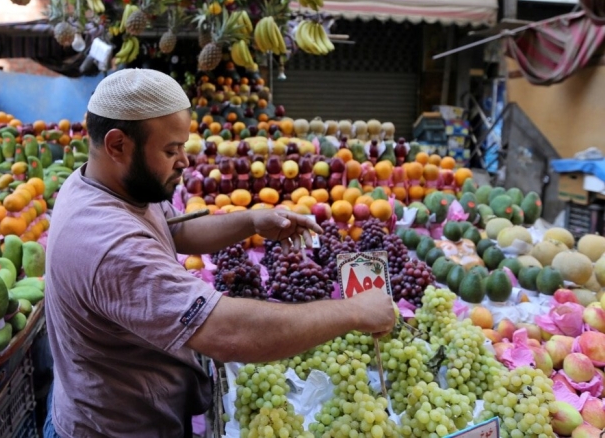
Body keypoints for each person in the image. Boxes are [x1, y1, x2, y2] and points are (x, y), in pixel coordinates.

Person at [43, 69, 396, 438]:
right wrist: (354, 311)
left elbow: (175, 229)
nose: (184, 161)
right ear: (117, 145)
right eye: (170, 150)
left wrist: (252, 220)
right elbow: (227, 333)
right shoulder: (107, 242)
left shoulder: (109, 183)